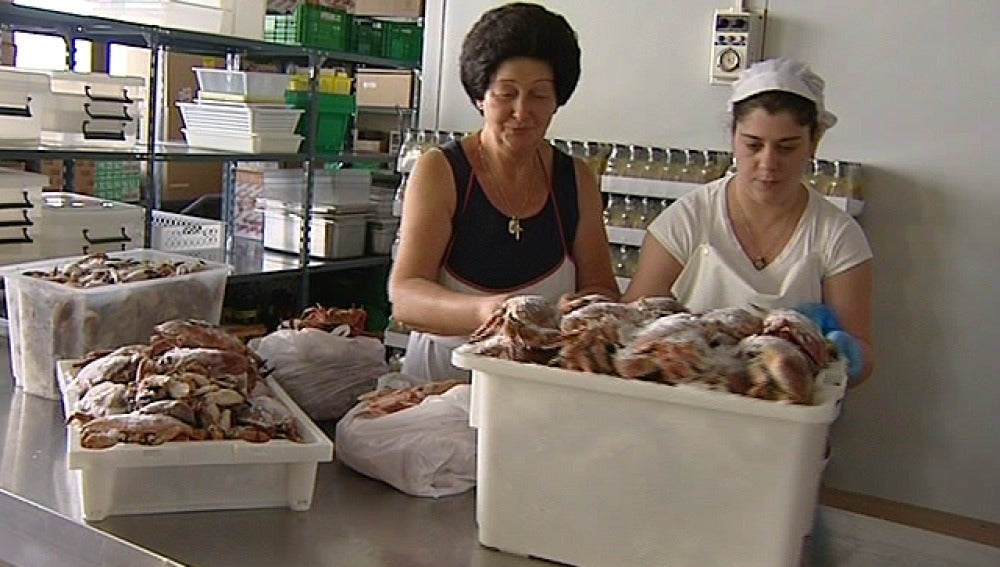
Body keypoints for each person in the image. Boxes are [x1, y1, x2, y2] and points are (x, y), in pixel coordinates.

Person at [388, 2, 619, 381]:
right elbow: (406, 297)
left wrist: (583, 307)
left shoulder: (575, 179)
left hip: (537, 384)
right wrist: (488, 312)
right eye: (505, 93)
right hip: (442, 378)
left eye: (540, 95)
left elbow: (602, 288)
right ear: (480, 96)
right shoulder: (441, 171)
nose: (522, 111)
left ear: (558, 101)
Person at [622, 58, 874, 383]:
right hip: (683, 406)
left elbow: (862, 355)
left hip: (786, 417)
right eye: (753, 145)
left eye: (786, 147)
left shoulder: (838, 236)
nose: (768, 163)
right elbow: (631, 328)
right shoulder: (687, 220)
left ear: (815, 141)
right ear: (732, 137)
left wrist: (847, 356)